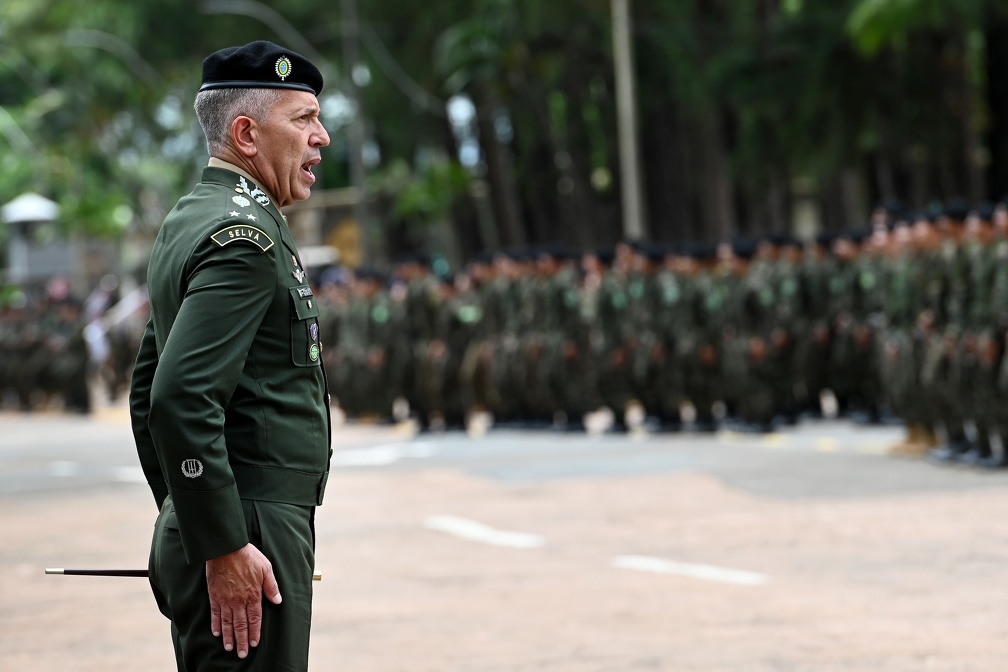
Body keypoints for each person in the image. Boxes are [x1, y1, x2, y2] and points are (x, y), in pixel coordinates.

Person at [129, 40, 332, 671]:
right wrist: (220, 540)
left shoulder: (195, 217)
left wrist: (187, 515)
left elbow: (146, 387)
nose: (321, 137)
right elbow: (176, 396)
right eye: (303, 119)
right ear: (246, 133)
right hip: (251, 529)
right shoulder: (242, 238)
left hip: (237, 521)